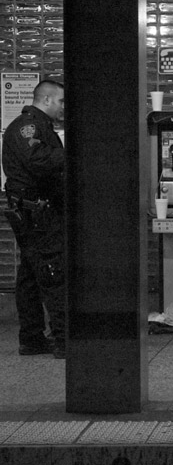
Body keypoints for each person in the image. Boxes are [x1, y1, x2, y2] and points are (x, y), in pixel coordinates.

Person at [2, 79, 66, 359]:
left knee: (30, 275)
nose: (63, 107)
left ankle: (32, 338)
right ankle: (64, 339)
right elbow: (38, 160)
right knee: (54, 272)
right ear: (47, 99)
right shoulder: (27, 126)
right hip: (37, 213)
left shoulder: (39, 126)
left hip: (31, 211)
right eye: (61, 101)